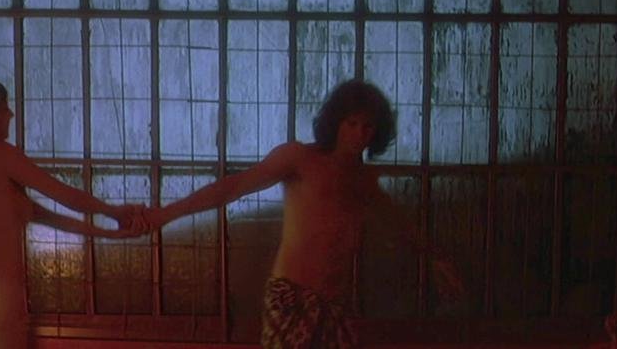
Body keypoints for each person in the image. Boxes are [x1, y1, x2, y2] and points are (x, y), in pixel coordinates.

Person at [142, 79, 462, 348]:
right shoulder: (300, 158)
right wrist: (164, 215)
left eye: (367, 127)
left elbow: (399, 223)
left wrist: (437, 259)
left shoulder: (364, 180)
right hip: (292, 298)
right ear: (336, 122)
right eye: (351, 124)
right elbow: (233, 187)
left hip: (335, 305)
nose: (359, 134)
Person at [0, 79, 145, 349]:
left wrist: (108, 232)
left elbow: (43, 216)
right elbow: (67, 196)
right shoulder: (1, 155)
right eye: (4, 107)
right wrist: (112, 211)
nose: (10, 114)